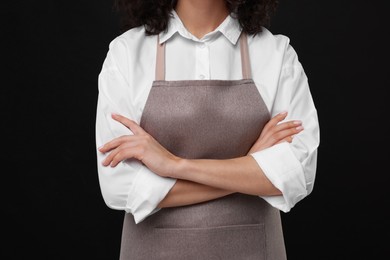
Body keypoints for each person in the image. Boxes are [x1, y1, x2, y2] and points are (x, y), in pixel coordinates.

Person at [95, 0, 320, 259]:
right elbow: (118, 188)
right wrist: (249, 167)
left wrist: (174, 165)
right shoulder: (126, 53)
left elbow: (298, 173)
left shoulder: (275, 54)